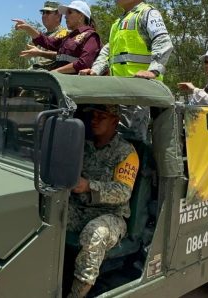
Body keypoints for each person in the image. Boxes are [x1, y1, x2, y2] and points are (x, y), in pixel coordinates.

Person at [68, 104, 139, 298]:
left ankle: (77, 293)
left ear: (115, 121)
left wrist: (89, 186)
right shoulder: (85, 145)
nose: (95, 120)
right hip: (80, 208)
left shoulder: (126, 152)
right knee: (49, 215)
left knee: (96, 234)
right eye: (93, 115)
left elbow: (123, 192)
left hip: (111, 216)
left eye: (102, 116)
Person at [79, 0, 173, 79]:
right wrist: (95, 71)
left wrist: (153, 71)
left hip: (145, 86)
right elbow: (109, 50)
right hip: (121, 86)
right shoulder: (118, 22)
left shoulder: (147, 13)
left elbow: (163, 41)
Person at [14, 0, 101, 74]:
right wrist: (28, 28)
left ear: (81, 16)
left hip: (74, 86)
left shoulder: (91, 36)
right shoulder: (68, 36)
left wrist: (55, 72)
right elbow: (48, 42)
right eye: (66, 13)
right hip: (60, 82)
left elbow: (83, 63)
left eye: (70, 13)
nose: (66, 16)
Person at [24, 1, 68, 70]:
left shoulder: (65, 34)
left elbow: (62, 57)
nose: (44, 15)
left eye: (48, 12)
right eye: (43, 13)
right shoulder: (42, 36)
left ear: (58, 16)